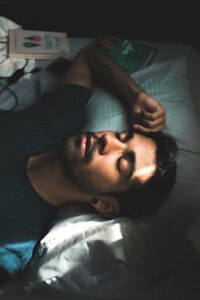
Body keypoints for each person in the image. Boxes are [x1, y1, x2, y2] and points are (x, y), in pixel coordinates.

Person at [0, 44, 177, 285]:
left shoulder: (15, 243)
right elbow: (90, 56)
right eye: (121, 136)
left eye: (122, 163)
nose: (107, 140)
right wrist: (134, 95)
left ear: (104, 204)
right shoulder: (60, 121)